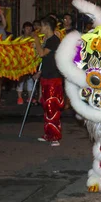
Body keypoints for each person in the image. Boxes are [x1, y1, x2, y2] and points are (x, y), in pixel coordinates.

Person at [33, 16, 64, 147]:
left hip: (53, 79)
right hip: (46, 76)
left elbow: (41, 54)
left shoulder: (54, 40)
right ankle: (48, 134)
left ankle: (55, 135)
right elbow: (47, 60)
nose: (40, 29)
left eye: (42, 26)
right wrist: (39, 73)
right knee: (46, 107)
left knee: (52, 107)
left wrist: (36, 40)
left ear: (47, 26)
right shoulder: (48, 40)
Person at [16, 22, 36, 105]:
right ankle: (19, 98)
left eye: (30, 29)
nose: (29, 30)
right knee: (21, 80)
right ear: (23, 29)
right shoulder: (19, 39)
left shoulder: (34, 39)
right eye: (27, 28)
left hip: (31, 63)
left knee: (30, 80)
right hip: (21, 63)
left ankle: (30, 97)